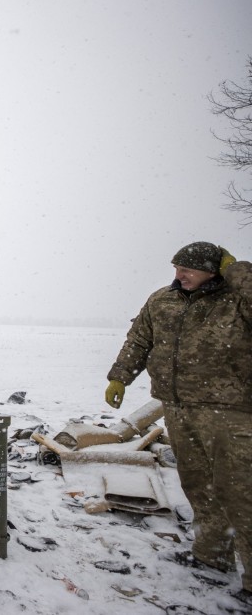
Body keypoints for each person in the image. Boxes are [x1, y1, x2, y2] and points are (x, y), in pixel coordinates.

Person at [104, 242, 251, 605]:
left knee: (241, 492)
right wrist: (120, 376)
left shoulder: (236, 297)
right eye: (176, 267)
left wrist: (239, 271)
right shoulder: (162, 300)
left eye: (188, 269)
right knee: (198, 484)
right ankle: (211, 555)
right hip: (178, 406)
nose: (179, 275)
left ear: (214, 270)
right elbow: (139, 339)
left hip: (231, 409)